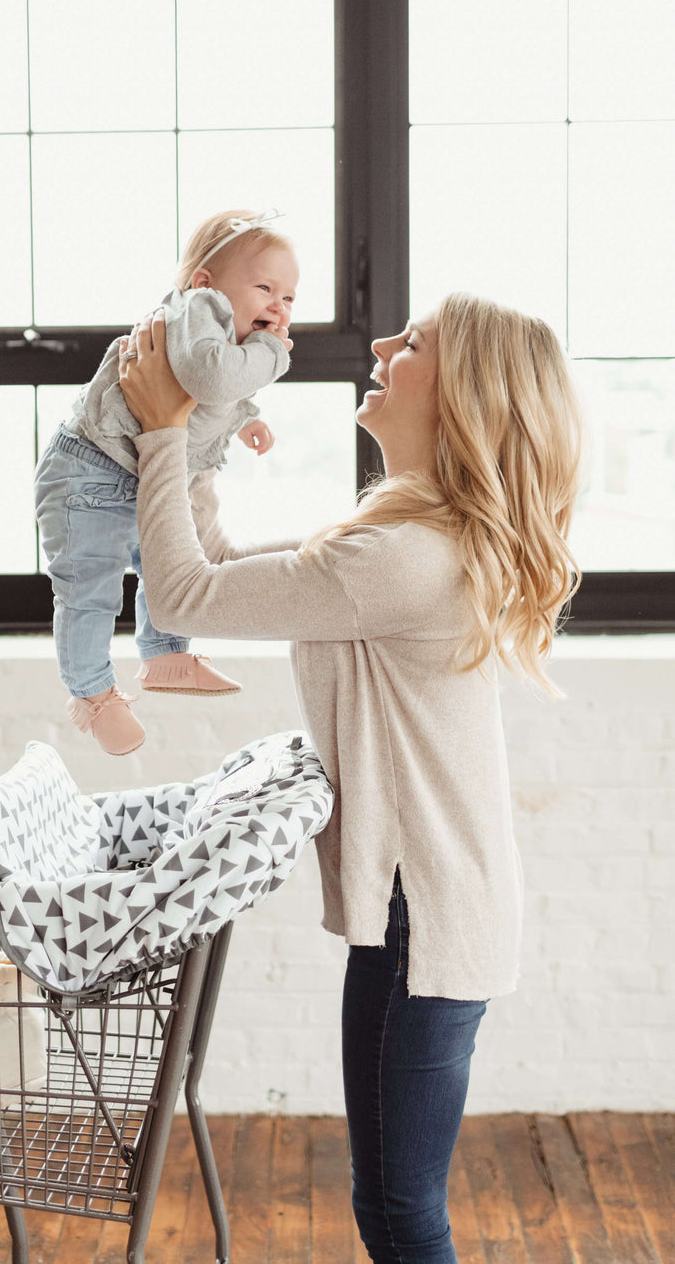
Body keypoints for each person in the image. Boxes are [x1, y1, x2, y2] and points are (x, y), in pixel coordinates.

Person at [117, 293, 582, 1263]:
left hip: (428, 919)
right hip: (440, 907)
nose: (379, 346)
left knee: (401, 1211)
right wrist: (196, 436)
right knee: (394, 1202)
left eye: (411, 343)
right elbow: (224, 567)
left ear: (460, 396)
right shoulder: (407, 535)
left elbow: (181, 592)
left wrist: (164, 431)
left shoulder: (405, 557)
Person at [34, 209, 299, 756]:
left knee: (168, 559)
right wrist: (272, 354)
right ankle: (92, 694)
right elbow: (208, 375)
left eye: (290, 296)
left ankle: (164, 653)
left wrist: (243, 417)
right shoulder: (196, 310)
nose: (279, 305)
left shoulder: (218, 331)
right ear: (206, 283)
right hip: (91, 471)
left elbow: (211, 390)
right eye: (265, 287)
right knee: (90, 592)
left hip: (133, 471)